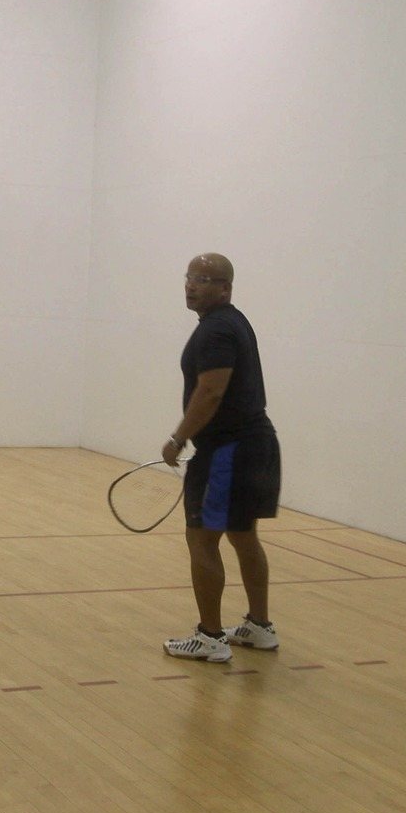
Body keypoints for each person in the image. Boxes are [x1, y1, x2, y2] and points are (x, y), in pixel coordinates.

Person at [160, 253, 284, 662]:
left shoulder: (216, 331)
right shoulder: (234, 321)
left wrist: (179, 439)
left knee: (202, 537)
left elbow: (210, 391)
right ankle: (259, 627)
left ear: (225, 287)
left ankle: (210, 636)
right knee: (242, 534)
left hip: (228, 453)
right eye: (190, 277)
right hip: (254, 445)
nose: (192, 285)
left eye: (204, 279)